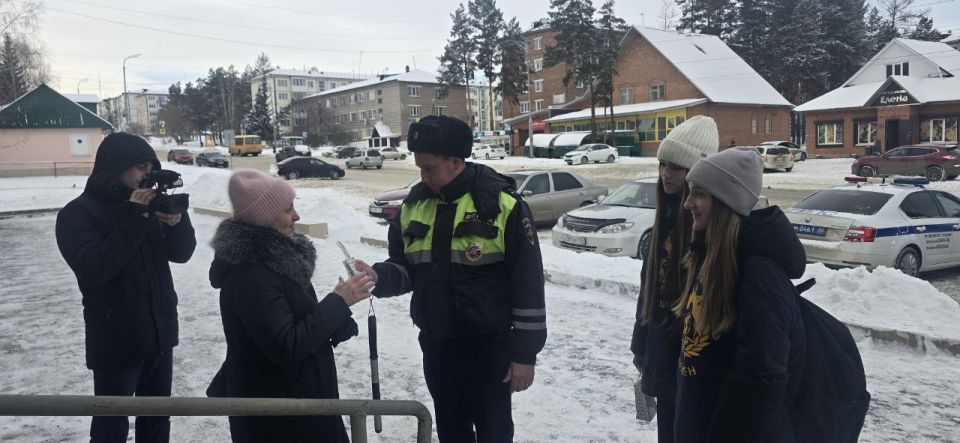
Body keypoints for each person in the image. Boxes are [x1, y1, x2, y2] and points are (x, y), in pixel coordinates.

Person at [353, 115, 546, 442]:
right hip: (437, 347)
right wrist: (379, 276)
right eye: (420, 168)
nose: (423, 176)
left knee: (493, 433)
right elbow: (406, 269)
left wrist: (525, 354)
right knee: (451, 432)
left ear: (456, 162)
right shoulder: (414, 205)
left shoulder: (501, 205)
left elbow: (527, 284)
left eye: (430, 168)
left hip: (487, 350)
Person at [206, 170, 373, 442]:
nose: (296, 216)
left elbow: (288, 320)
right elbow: (286, 345)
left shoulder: (277, 261)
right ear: (263, 218)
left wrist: (333, 320)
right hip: (280, 418)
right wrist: (338, 302)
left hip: (298, 405)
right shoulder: (251, 274)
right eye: (287, 209)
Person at [55, 132, 197, 442]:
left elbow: (183, 254)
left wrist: (177, 221)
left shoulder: (150, 206)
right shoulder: (77, 214)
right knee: (111, 427)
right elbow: (95, 269)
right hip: (115, 340)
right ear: (114, 168)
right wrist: (134, 218)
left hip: (159, 333)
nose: (147, 175)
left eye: (151, 167)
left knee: (157, 423)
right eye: (139, 167)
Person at [673, 148, 806, 442]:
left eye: (699, 194)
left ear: (725, 202)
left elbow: (760, 382)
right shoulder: (710, 257)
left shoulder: (761, 279)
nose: (687, 203)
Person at [630, 115, 719, 442]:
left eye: (676, 167)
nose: (665, 174)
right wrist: (640, 344)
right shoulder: (662, 224)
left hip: (694, 360)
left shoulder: (709, 231)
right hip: (661, 351)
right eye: (662, 164)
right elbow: (648, 291)